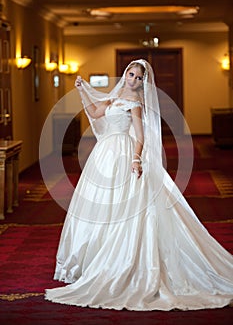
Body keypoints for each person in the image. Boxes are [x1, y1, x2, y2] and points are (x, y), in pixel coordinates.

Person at [45, 59, 233, 311]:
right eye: (131, 74)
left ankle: (123, 264)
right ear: (125, 74)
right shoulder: (114, 97)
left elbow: (141, 136)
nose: (133, 80)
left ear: (143, 82)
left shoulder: (135, 104)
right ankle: (94, 263)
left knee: (126, 206)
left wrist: (136, 159)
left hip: (123, 153)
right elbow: (95, 112)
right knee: (100, 205)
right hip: (103, 154)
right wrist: (81, 90)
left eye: (139, 78)